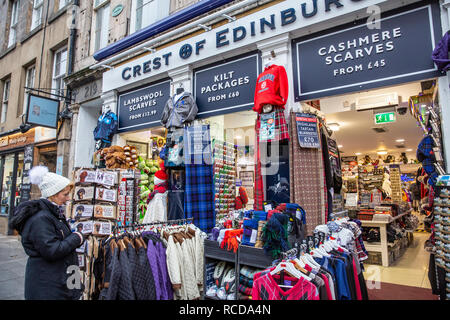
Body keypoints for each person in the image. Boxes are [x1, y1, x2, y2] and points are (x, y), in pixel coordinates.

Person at [9, 166, 85, 300]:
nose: (68, 199)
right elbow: (52, 250)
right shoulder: (41, 218)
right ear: (53, 194)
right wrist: (76, 238)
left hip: (61, 280)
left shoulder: (53, 214)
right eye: (65, 194)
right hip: (48, 284)